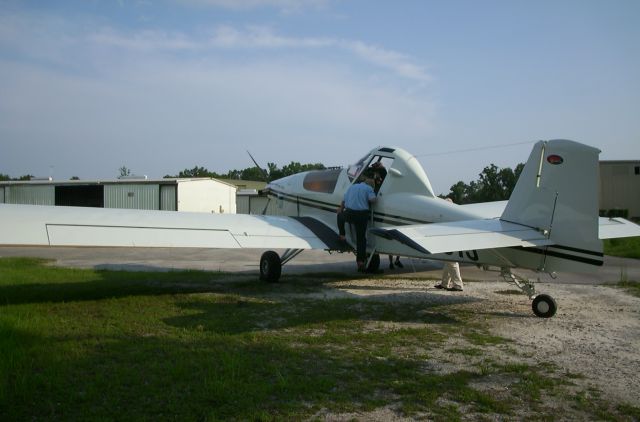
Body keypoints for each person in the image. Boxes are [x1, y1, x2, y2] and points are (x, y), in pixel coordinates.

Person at [337, 170, 377, 272]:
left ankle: (342, 235)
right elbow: (373, 200)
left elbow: (344, 200)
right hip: (362, 215)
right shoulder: (369, 188)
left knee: (340, 216)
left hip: (350, 213)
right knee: (361, 239)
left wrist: (341, 209)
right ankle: (360, 262)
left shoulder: (352, 187)